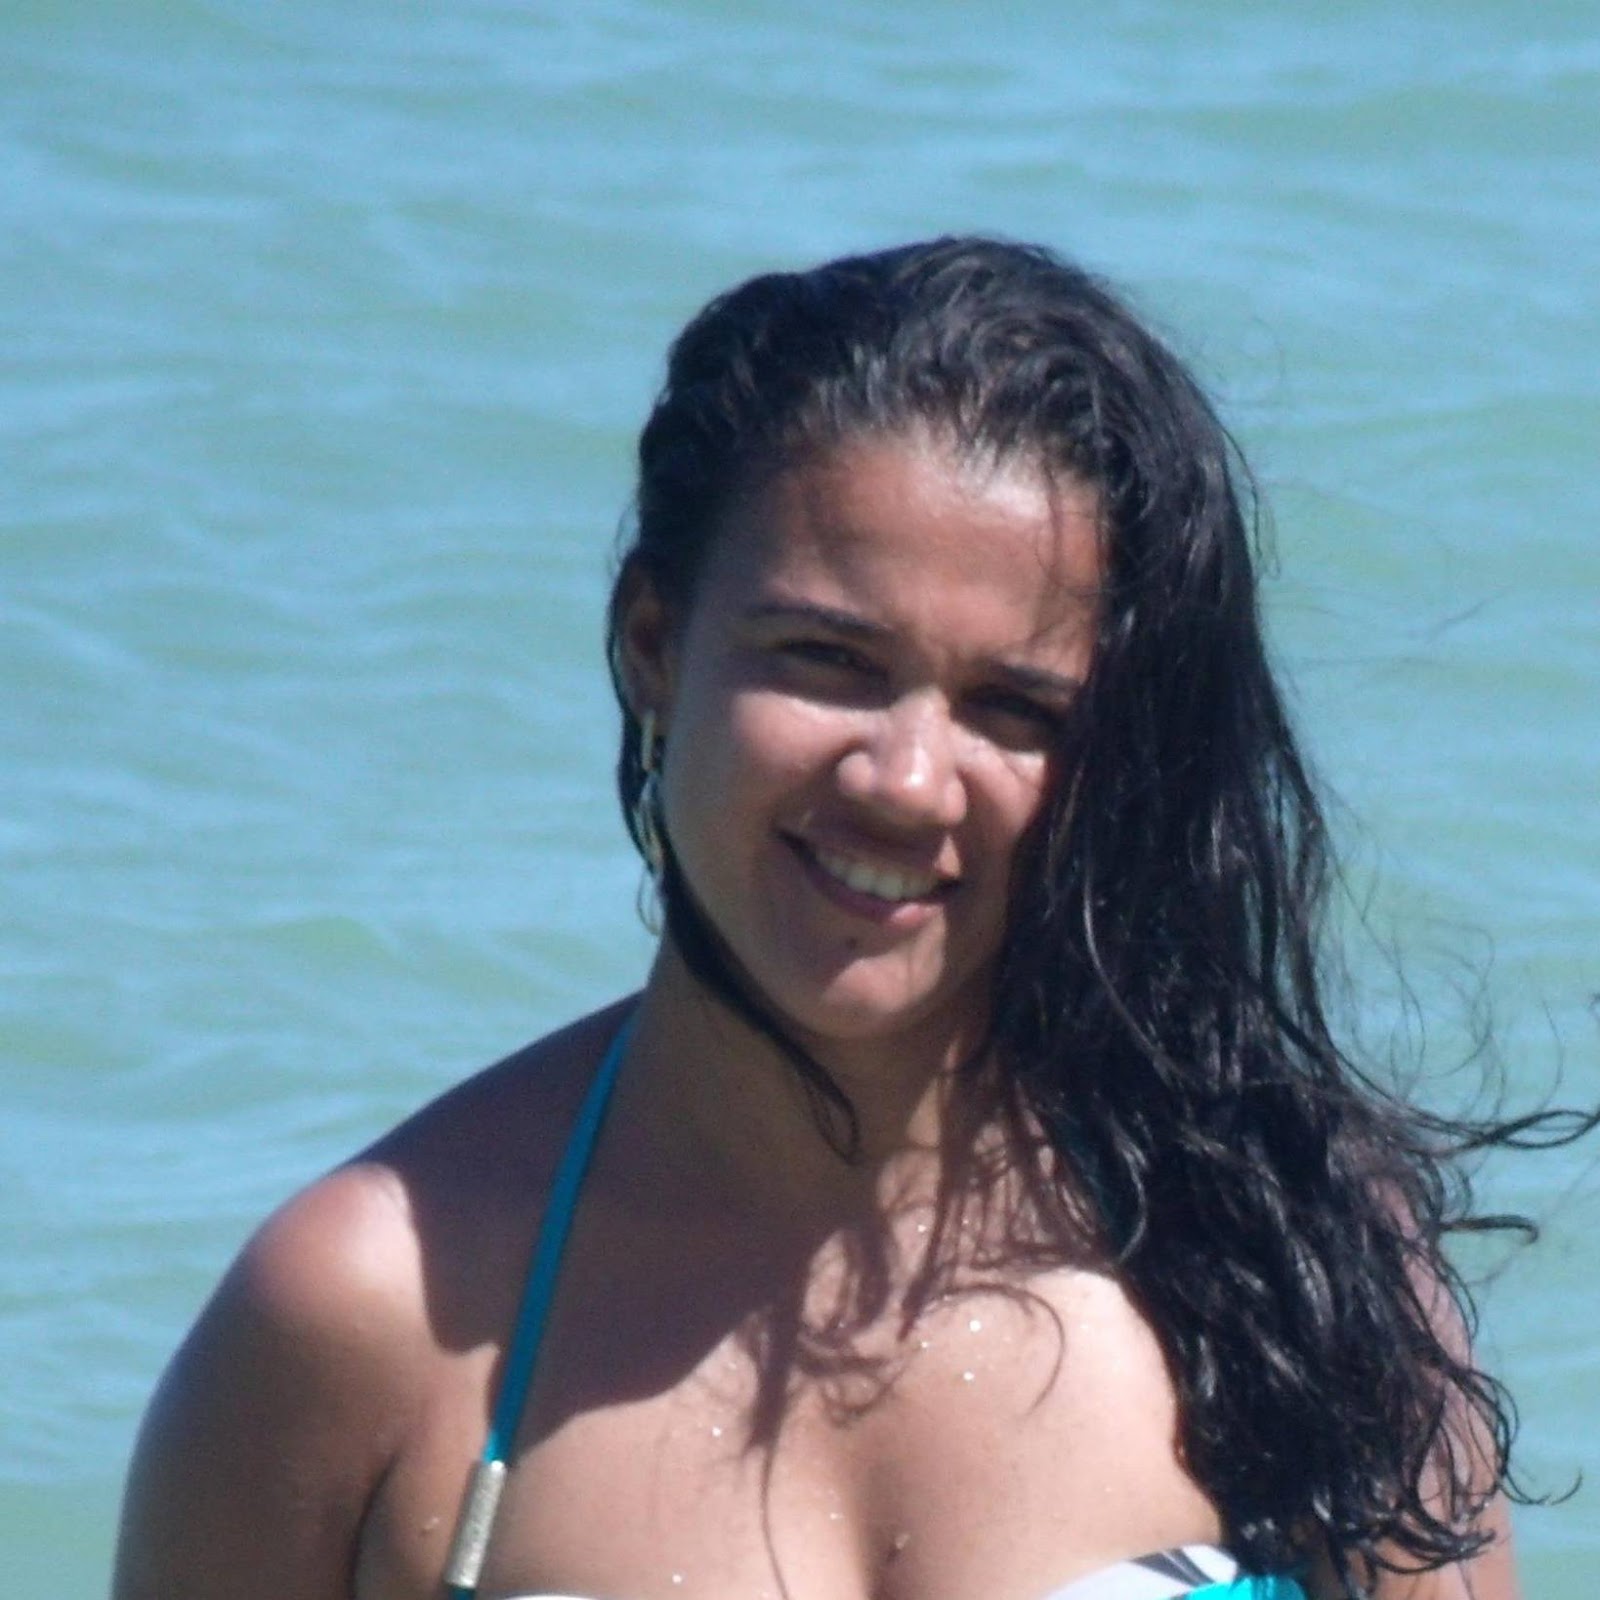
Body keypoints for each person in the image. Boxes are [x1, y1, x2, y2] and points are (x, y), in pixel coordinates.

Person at [114, 237, 1542, 1600]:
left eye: (1016, 707)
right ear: (655, 646)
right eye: (828, 660)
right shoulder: (368, 1317)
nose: (907, 782)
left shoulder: (1283, 1253)